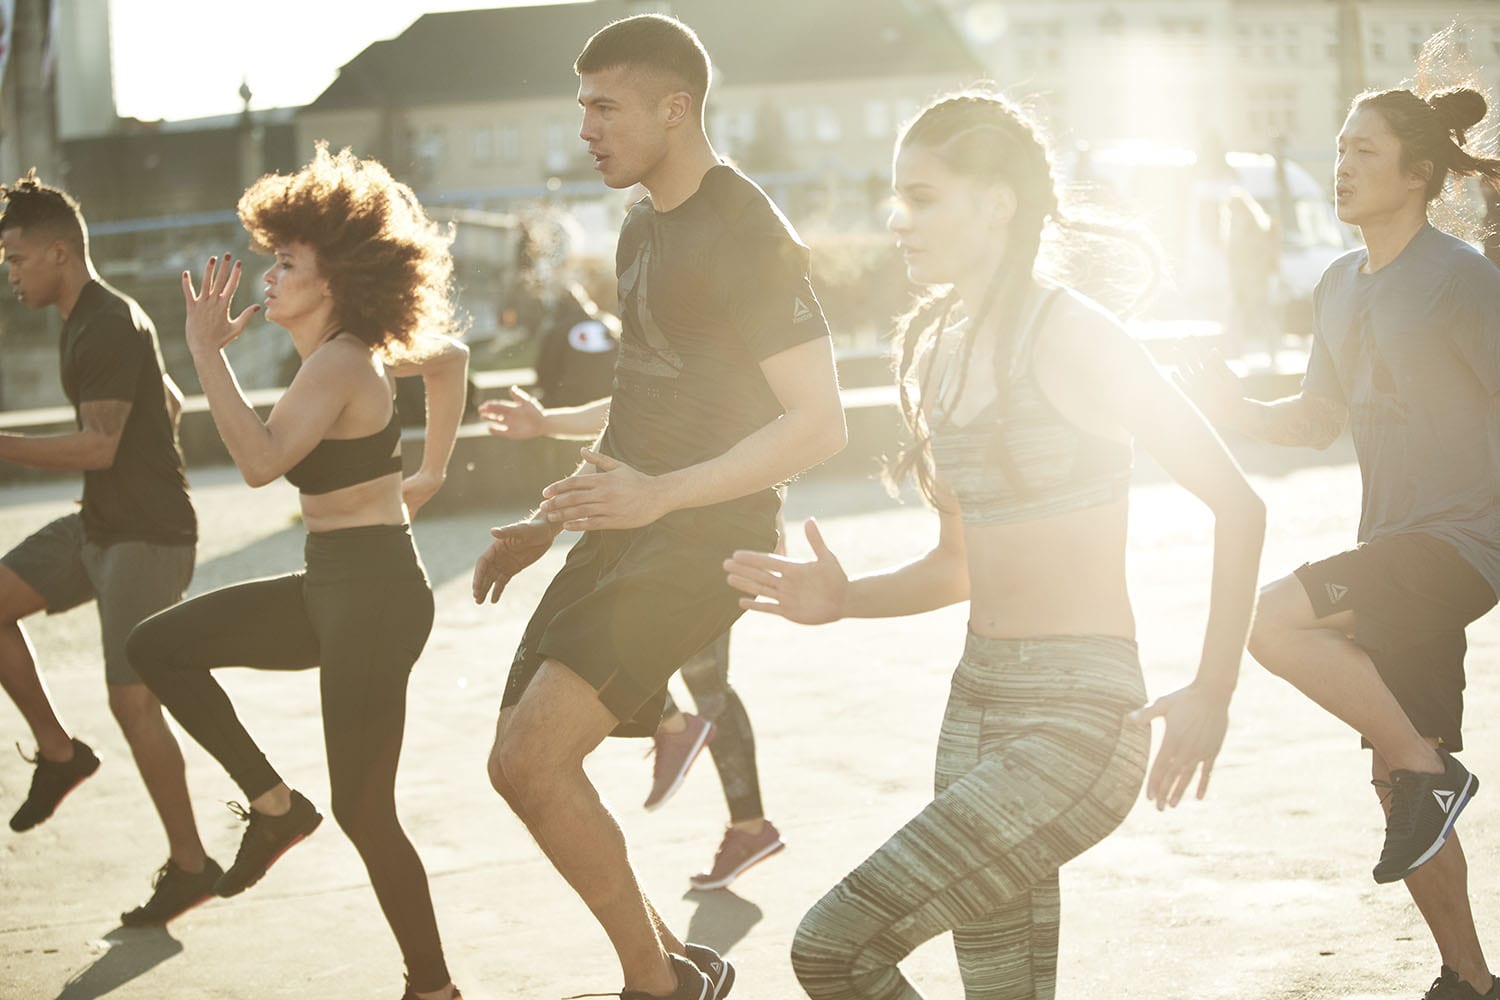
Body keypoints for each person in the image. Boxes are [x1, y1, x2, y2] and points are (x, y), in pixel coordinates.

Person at [723, 90, 1266, 999]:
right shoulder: (939, 351)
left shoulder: (1081, 337)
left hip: (1080, 721)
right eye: (897, 195)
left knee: (832, 949)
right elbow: (957, 567)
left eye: (922, 196)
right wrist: (845, 599)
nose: (897, 219)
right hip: (973, 711)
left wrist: (1213, 689)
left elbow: (1238, 506)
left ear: (997, 204)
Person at [471, 14, 846, 1000]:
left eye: (605, 107)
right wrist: (550, 518)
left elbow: (820, 423)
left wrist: (658, 496)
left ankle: (657, 985)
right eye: (581, 106)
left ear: (675, 109)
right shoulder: (639, 223)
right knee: (517, 763)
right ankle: (672, 969)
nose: (585, 129)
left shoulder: (747, 230)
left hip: (703, 537)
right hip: (625, 525)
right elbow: (645, 396)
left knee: (534, 758)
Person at [1177, 85, 1500, 1000]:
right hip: (1393, 545)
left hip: (1464, 543)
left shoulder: (1462, 279)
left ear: (1419, 174)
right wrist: (1235, 410)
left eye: (1366, 152)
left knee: (1272, 620)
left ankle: (1433, 777)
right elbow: (1319, 419)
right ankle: (1470, 978)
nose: (1343, 167)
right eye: (1340, 149)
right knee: (1398, 777)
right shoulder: (1335, 285)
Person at [124, 146, 470, 1000]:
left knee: (365, 811)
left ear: (335, 279)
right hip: (333, 584)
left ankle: (434, 988)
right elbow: (452, 358)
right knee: (157, 647)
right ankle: (275, 806)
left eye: (285, 264)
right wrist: (430, 470)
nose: (267, 279)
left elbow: (259, 462)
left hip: (374, 596)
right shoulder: (350, 355)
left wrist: (205, 352)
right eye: (271, 261)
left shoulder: (343, 361)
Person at [0, 172, 214, 927]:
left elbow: (99, 444)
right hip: (103, 524)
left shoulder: (109, 322)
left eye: (17, 259)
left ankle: (191, 866)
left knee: (133, 701)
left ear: (59, 253)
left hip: (147, 535)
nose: (10, 273)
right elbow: (168, 401)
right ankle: (60, 754)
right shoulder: (83, 319)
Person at [481, 389, 784, 892]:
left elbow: (759, 423)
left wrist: (772, 517)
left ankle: (705, 767)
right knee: (692, 677)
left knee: (699, 679)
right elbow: (630, 401)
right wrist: (548, 421)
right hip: (653, 530)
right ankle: (740, 814)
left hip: (696, 538)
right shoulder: (658, 354)